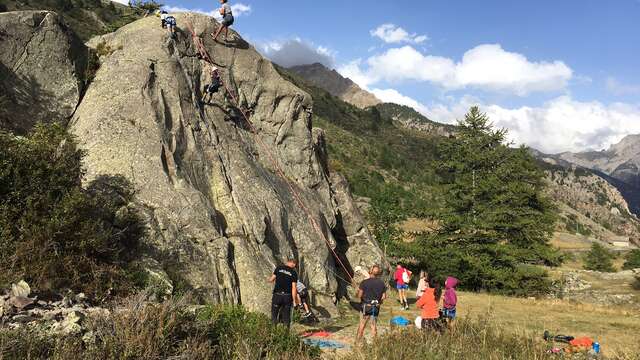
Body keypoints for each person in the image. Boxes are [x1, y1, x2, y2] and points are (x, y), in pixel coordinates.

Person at [356, 265, 387, 341]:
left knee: (362, 324)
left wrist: (357, 292)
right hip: (376, 307)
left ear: (370, 272)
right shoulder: (382, 283)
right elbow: (384, 296)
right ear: (378, 273)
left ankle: (357, 342)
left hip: (366, 307)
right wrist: (379, 302)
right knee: (373, 325)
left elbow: (359, 296)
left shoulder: (364, 282)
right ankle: (375, 344)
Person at [268, 259, 298, 328]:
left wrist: (268, 280)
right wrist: (294, 301)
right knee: (286, 316)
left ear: (288, 262)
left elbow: (271, 279)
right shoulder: (293, 273)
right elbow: (294, 288)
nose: (294, 266)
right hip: (287, 296)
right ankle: (286, 335)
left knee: (274, 315)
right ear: (293, 264)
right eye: (294, 265)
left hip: (277, 295)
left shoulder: (279, 268)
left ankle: (273, 333)